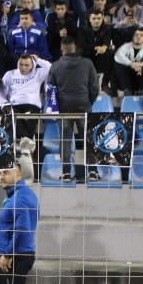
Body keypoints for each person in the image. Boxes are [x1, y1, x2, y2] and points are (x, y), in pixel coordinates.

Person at [46, 36, 99, 182]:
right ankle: (93, 172)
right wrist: (88, 102)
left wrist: (57, 106)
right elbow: (95, 87)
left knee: (65, 140)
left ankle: (66, 173)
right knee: (88, 138)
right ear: (74, 47)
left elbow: (50, 90)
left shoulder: (55, 66)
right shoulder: (87, 64)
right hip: (83, 105)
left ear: (62, 49)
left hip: (64, 108)